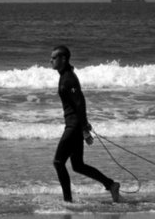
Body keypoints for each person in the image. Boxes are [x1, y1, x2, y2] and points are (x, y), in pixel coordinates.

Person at [50, 45, 121, 203]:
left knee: (58, 162)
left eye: (54, 58)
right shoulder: (65, 75)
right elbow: (77, 104)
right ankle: (111, 184)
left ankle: (67, 201)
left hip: (73, 127)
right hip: (74, 125)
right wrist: (85, 124)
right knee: (78, 165)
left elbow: (79, 103)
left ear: (63, 59)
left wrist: (83, 129)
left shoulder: (69, 78)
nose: (51, 61)